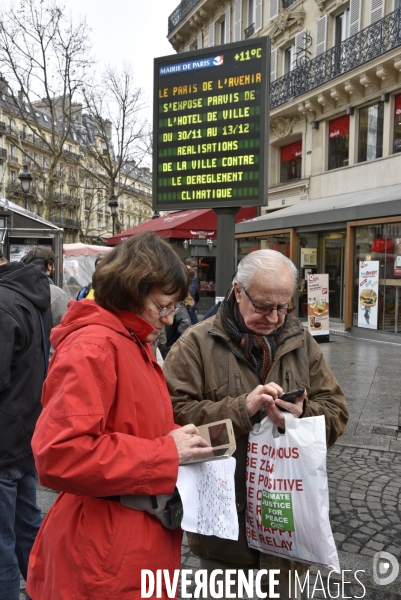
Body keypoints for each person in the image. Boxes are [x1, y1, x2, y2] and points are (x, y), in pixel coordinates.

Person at [26, 232, 211, 600]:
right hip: (103, 551)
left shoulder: (131, 339)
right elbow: (59, 454)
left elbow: (127, 423)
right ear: (132, 291)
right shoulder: (95, 346)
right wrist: (165, 452)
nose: (171, 318)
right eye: (163, 306)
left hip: (128, 541)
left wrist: (179, 437)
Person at [163, 249, 349, 599]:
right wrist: (241, 409)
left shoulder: (300, 341)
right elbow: (171, 419)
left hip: (288, 531)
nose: (275, 317)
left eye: (284, 307)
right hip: (226, 538)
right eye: (263, 306)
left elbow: (337, 409)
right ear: (237, 291)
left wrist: (302, 415)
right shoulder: (194, 345)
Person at [0, 253, 51, 600]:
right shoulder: (30, 292)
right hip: (25, 429)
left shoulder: (4, 303)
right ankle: (44, 591)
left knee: (3, 541)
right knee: (27, 526)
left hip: (4, 438)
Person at [25, 246, 68, 328]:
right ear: (49, 266)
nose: (54, 269)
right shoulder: (57, 294)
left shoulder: (18, 289)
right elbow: (63, 328)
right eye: (53, 265)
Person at [185, 257, 199, 324]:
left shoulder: (193, 279)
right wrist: (194, 278)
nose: (195, 268)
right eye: (193, 266)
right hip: (186, 307)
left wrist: (195, 307)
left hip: (192, 307)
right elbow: (190, 292)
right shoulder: (185, 278)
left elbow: (195, 295)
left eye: (196, 266)